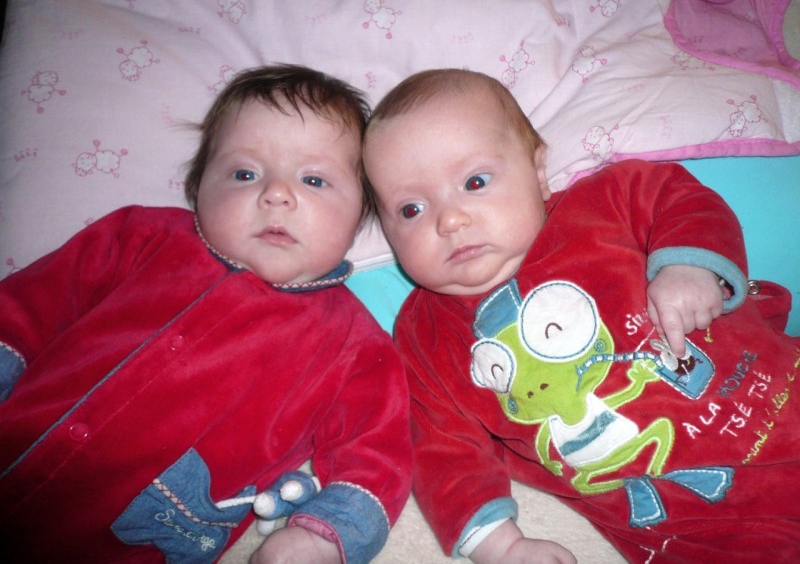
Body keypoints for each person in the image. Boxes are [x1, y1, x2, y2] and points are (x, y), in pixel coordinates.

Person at [362, 68, 800, 564]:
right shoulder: (424, 337)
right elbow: (439, 449)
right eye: (411, 210)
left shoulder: (603, 203)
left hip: (778, 397)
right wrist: (500, 545)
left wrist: (687, 263)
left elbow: (678, 198)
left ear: (537, 171)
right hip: (699, 525)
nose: (450, 220)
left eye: (475, 182)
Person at [0, 64, 412, 564]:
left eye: (313, 179)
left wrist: (327, 535)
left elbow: (378, 449)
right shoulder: (138, 237)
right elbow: (29, 304)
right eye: (245, 174)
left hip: (137, 539)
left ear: (359, 217)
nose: (276, 194)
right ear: (199, 188)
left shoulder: (353, 345)